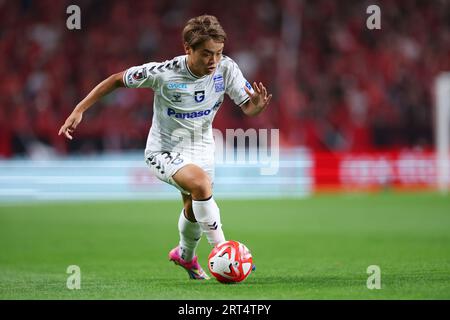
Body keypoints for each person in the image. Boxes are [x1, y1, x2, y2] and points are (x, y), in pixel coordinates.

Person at [58, 15, 272, 280]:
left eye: (218, 53)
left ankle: (185, 256)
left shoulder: (226, 69)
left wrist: (257, 107)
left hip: (202, 146)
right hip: (164, 149)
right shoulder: (163, 73)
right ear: (187, 48)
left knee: (194, 207)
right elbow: (116, 79)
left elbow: (247, 107)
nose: (213, 61)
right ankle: (224, 252)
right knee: (201, 186)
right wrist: (79, 110)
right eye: (206, 54)